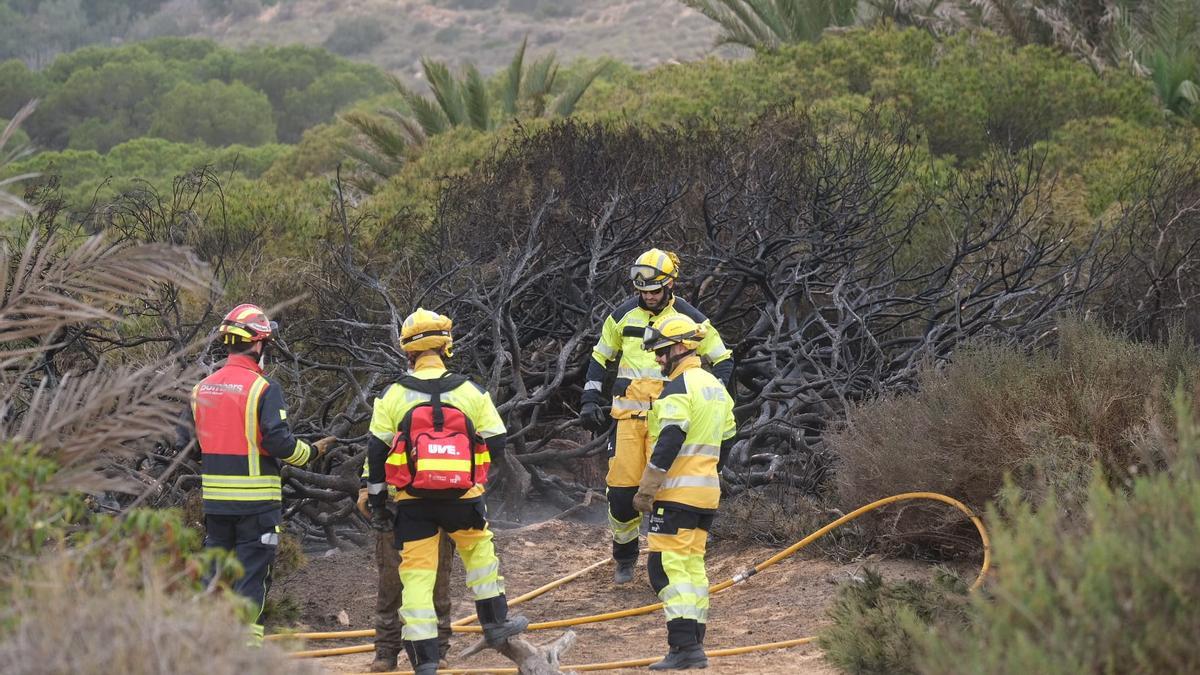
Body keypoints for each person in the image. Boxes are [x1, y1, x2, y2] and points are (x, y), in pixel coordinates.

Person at [364, 308, 528, 675]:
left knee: (417, 579)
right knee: (481, 558)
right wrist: (474, 475)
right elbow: (499, 442)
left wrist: (377, 502)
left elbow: (376, 454)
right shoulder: (472, 391)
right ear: (446, 347)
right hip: (463, 500)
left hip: (413, 504)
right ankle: (495, 623)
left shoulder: (392, 396)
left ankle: (425, 661)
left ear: (408, 352)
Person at [580, 248, 733, 584]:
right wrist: (590, 396)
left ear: (669, 285)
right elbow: (599, 357)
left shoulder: (691, 320)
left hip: (668, 421)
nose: (648, 297)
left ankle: (664, 566)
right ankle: (625, 555)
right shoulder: (621, 316)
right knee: (621, 496)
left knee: (666, 493)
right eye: (643, 292)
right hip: (628, 418)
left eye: (654, 291)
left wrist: (714, 399)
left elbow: (723, 361)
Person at [190, 303, 334, 645]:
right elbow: (279, 443)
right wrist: (312, 452)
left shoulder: (201, 390)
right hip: (256, 507)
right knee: (251, 580)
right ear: (258, 344)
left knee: (214, 579)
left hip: (216, 507)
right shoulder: (262, 389)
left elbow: (192, 447)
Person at [632, 314, 736, 670]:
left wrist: (648, 487)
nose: (658, 359)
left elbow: (671, 438)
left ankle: (682, 648)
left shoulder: (678, 389)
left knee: (664, 568)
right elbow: (728, 437)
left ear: (680, 347)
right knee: (692, 569)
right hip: (706, 495)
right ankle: (694, 647)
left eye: (661, 352)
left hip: (676, 495)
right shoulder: (716, 387)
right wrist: (707, 472)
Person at [355, 484, 454, 671]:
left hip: (439, 509)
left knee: (437, 585)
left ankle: (438, 649)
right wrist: (368, 492)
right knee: (391, 585)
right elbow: (374, 460)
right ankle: (386, 651)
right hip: (394, 510)